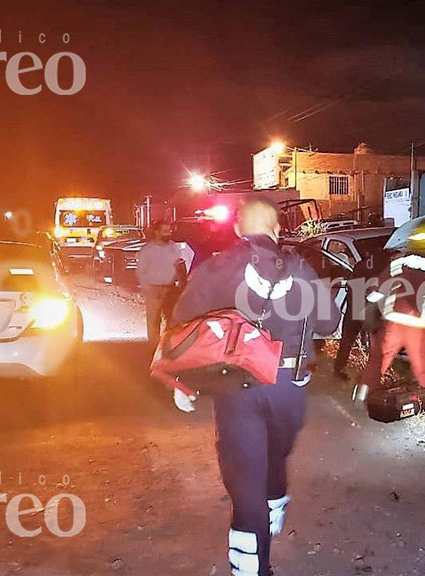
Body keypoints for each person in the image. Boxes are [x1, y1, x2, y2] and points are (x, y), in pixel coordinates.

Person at [170, 197, 340, 576]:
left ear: (236, 230)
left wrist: (182, 382)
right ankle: (275, 503)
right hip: (288, 387)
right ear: (278, 229)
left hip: (236, 389)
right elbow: (329, 323)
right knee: (275, 456)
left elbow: (182, 325)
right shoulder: (301, 269)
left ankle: (251, 567)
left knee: (246, 477)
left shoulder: (215, 267)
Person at [361, 221, 425, 407]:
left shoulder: (398, 263)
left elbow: (378, 288)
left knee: (380, 359)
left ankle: (363, 394)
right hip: (417, 325)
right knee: (420, 364)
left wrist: (369, 308)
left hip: (394, 322)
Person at [333, 248, 391, 380]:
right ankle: (371, 374)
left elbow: (351, 284)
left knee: (347, 340)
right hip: (370, 309)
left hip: (354, 307)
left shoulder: (361, 265)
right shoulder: (385, 268)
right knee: (374, 342)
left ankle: (338, 369)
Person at [136, 220, 195, 342]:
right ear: (157, 233)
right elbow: (141, 271)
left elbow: (179, 264)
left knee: (172, 319)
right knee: (153, 321)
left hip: (171, 288)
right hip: (154, 289)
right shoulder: (147, 250)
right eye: (165, 231)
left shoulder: (174, 247)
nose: (169, 233)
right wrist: (147, 289)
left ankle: (167, 347)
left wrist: (181, 282)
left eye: (169, 231)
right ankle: (153, 349)